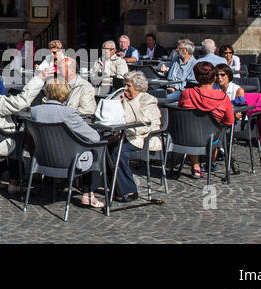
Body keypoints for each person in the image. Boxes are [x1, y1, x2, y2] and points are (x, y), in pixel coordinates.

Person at [29, 81, 105, 207]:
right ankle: (88, 194)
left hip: (44, 159)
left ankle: (60, 184)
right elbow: (94, 137)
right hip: (67, 162)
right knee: (95, 150)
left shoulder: (35, 111)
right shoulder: (69, 113)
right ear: (65, 93)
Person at [109, 71, 163, 203]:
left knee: (118, 152)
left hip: (144, 138)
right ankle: (115, 186)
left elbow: (145, 126)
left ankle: (129, 190)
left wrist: (125, 128)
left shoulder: (147, 100)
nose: (125, 88)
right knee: (105, 148)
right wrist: (115, 103)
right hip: (127, 135)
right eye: (124, 85)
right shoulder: (123, 99)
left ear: (138, 87)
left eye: (128, 86)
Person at [178, 61, 235, 177]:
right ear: (214, 77)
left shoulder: (186, 93)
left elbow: (180, 112)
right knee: (216, 129)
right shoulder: (223, 97)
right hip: (212, 138)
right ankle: (210, 163)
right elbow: (230, 121)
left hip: (188, 137)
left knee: (192, 127)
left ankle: (195, 166)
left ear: (196, 77)